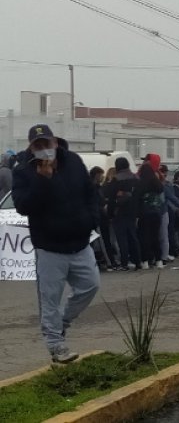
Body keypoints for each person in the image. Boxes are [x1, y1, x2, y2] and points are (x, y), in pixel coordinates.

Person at [12, 124, 100, 363]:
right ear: (31, 147)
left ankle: (60, 323)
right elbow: (22, 206)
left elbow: (89, 192)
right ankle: (55, 345)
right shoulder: (23, 170)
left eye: (46, 144)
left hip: (80, 241)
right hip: (49, 246)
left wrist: (92, 219)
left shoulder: (73, 161)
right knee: (50, 298)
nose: (44, 150)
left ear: (55, 142)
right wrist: (42, 181)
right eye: (37, 146)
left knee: (90, 286)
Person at [105, 157, 143, 270]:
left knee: (122, 239)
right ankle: (138, 261)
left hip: (119, 212)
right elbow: (139, 196)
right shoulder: (136, 178)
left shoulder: (116, 179)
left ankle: (124, 263)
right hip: (133, 212)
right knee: (133, 237)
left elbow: (111, 198)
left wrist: (110, 214)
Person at [137, 164, 165, 269]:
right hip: (156, 213)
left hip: (144, 213)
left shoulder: (140, 183)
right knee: (155, 236)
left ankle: (145, 261)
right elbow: (162, 197)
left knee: (144, 237)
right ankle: (158, 260)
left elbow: (136, 199)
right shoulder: (157, 183)